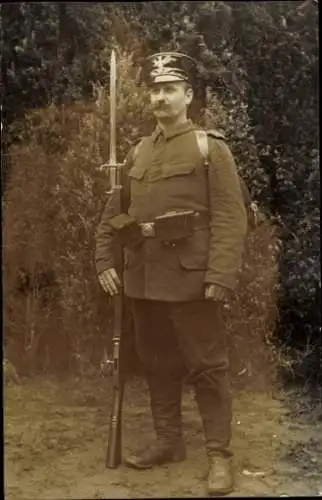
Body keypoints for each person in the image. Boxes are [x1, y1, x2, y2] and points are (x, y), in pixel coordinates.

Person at [95, 51, 247, 496]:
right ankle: (169, 442)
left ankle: (220, 456)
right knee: (158, 365)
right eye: (155, 90)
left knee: (207, 367)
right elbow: (112, 215)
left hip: (192, 279)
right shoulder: (138, 152)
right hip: (143, 279)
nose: (161, 98)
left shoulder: (210, 148)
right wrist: (104, 261)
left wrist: (220, 273)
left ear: (188, 96)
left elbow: (230, 217)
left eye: (170, 90)